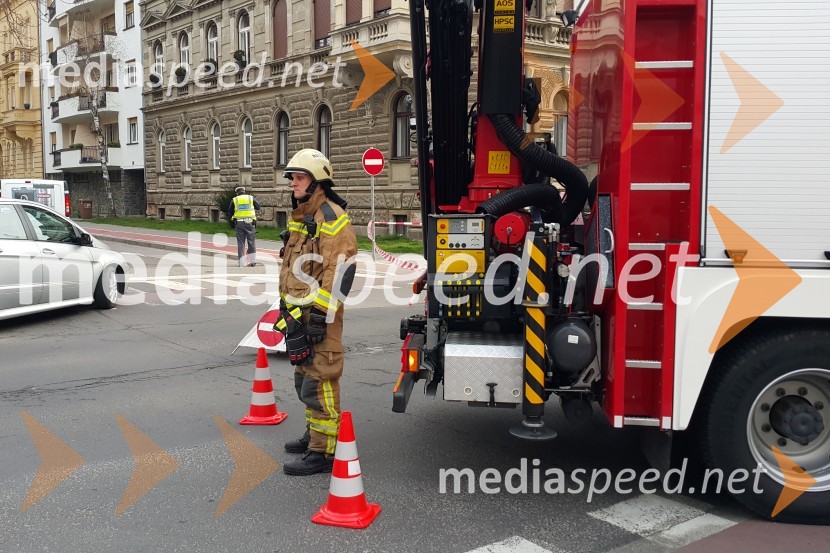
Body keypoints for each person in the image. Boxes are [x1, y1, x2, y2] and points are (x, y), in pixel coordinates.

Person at [274, 149, 358, 476]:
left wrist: (321, 317)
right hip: (300, 315)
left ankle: (323, 453)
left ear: (316, 181)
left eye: (299, 177)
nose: (293, 183)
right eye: (292, 177)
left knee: (321, 381)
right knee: (305, 379)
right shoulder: (303, 217)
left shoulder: (331, 218)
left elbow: (339, 271)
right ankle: (314, 436)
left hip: (319, 317)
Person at [227, 186, 261, 267]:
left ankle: (241, 262)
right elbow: (258, 207)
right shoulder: (250, 198)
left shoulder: (235, 200)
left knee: (241, 243)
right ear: (244, 191)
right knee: (251, 242)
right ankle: (252, 262)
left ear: (237, 193)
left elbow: (229, 212)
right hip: (250, 222)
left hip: (239, 223)